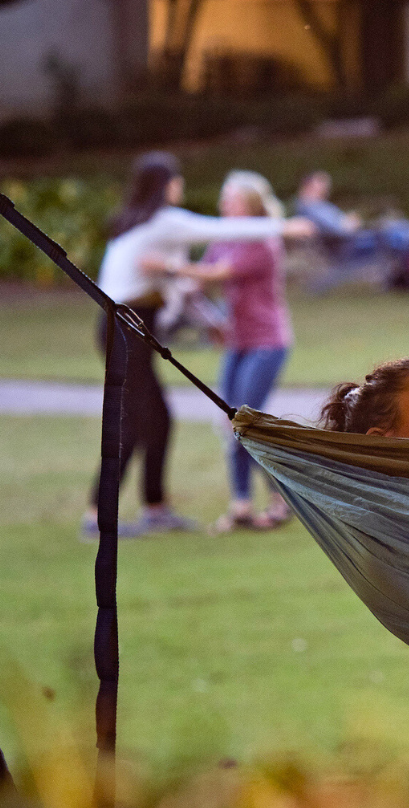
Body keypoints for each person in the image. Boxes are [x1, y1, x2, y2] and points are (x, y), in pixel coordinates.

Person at [83, 152, 314, 541]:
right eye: (176, 180)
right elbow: (222, 231)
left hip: (131, 329)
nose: (181, 186)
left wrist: (209, 320)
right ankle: (98, 516)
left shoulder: (145, 227)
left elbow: (178, 289)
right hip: (125, 329)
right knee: (138, 423)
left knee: (156, 421)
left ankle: (155, 509)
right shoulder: (163, 222)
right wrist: (284, 227)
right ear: (164, 184)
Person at [175, 170, 295, 533]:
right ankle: (241, 504)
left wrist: (163, 266)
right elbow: (203, 278)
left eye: (231, 198)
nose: (223, 204)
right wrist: (211, 318)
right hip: (238, 341)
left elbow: (217, 274)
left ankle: (281, 497)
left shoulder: (262, 241)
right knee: (233, 424)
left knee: (245, 423)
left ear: (251, 205)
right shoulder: (225, 238)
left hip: (267, 341)